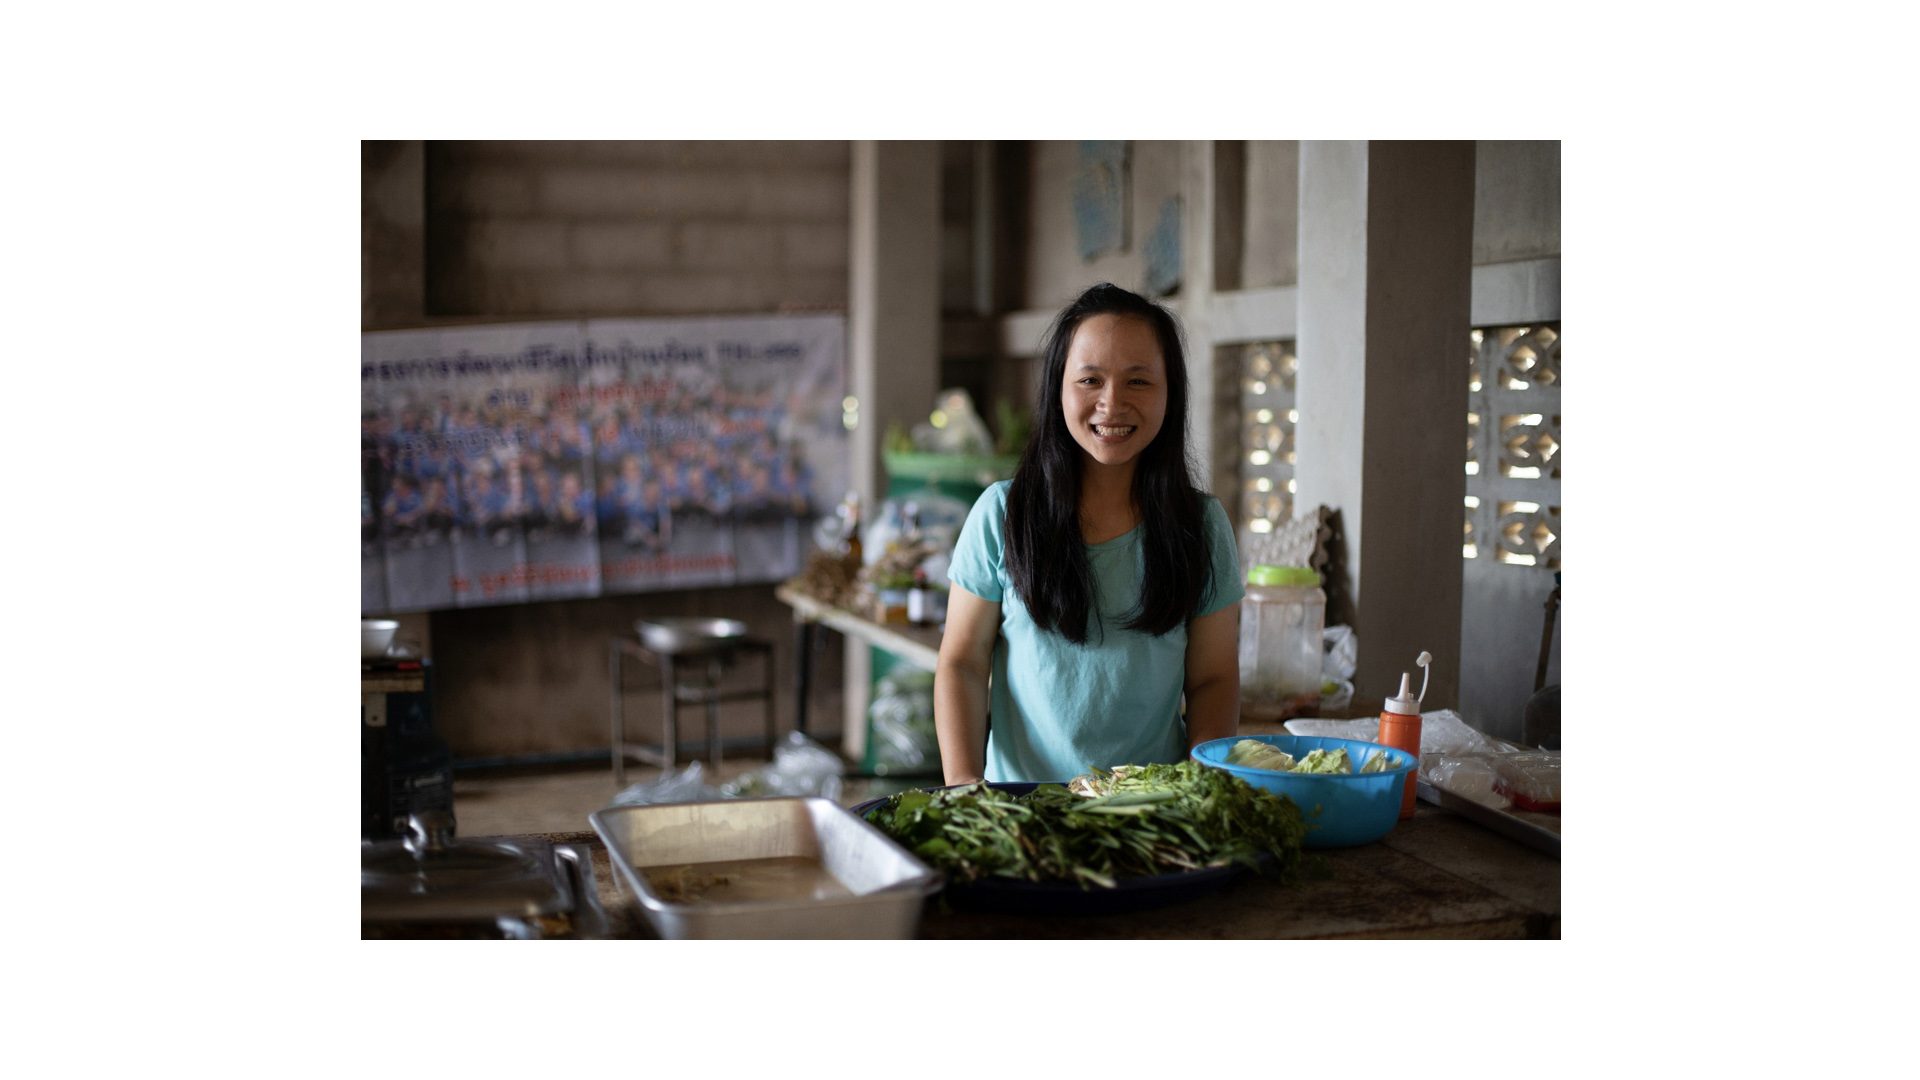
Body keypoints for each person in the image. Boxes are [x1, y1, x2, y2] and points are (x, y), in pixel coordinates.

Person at [934, 283, 1243, 784]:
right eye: (1090, 380)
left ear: (1171, 393)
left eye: (1139, 381)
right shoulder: (1001, 514)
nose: (1112, 402)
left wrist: (1199, 788)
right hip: (1019, 819)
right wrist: (967, 793)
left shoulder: (1201, 525)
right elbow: (962, 664)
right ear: (1058, 387)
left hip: (1150, 816)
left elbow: (1213, 679)